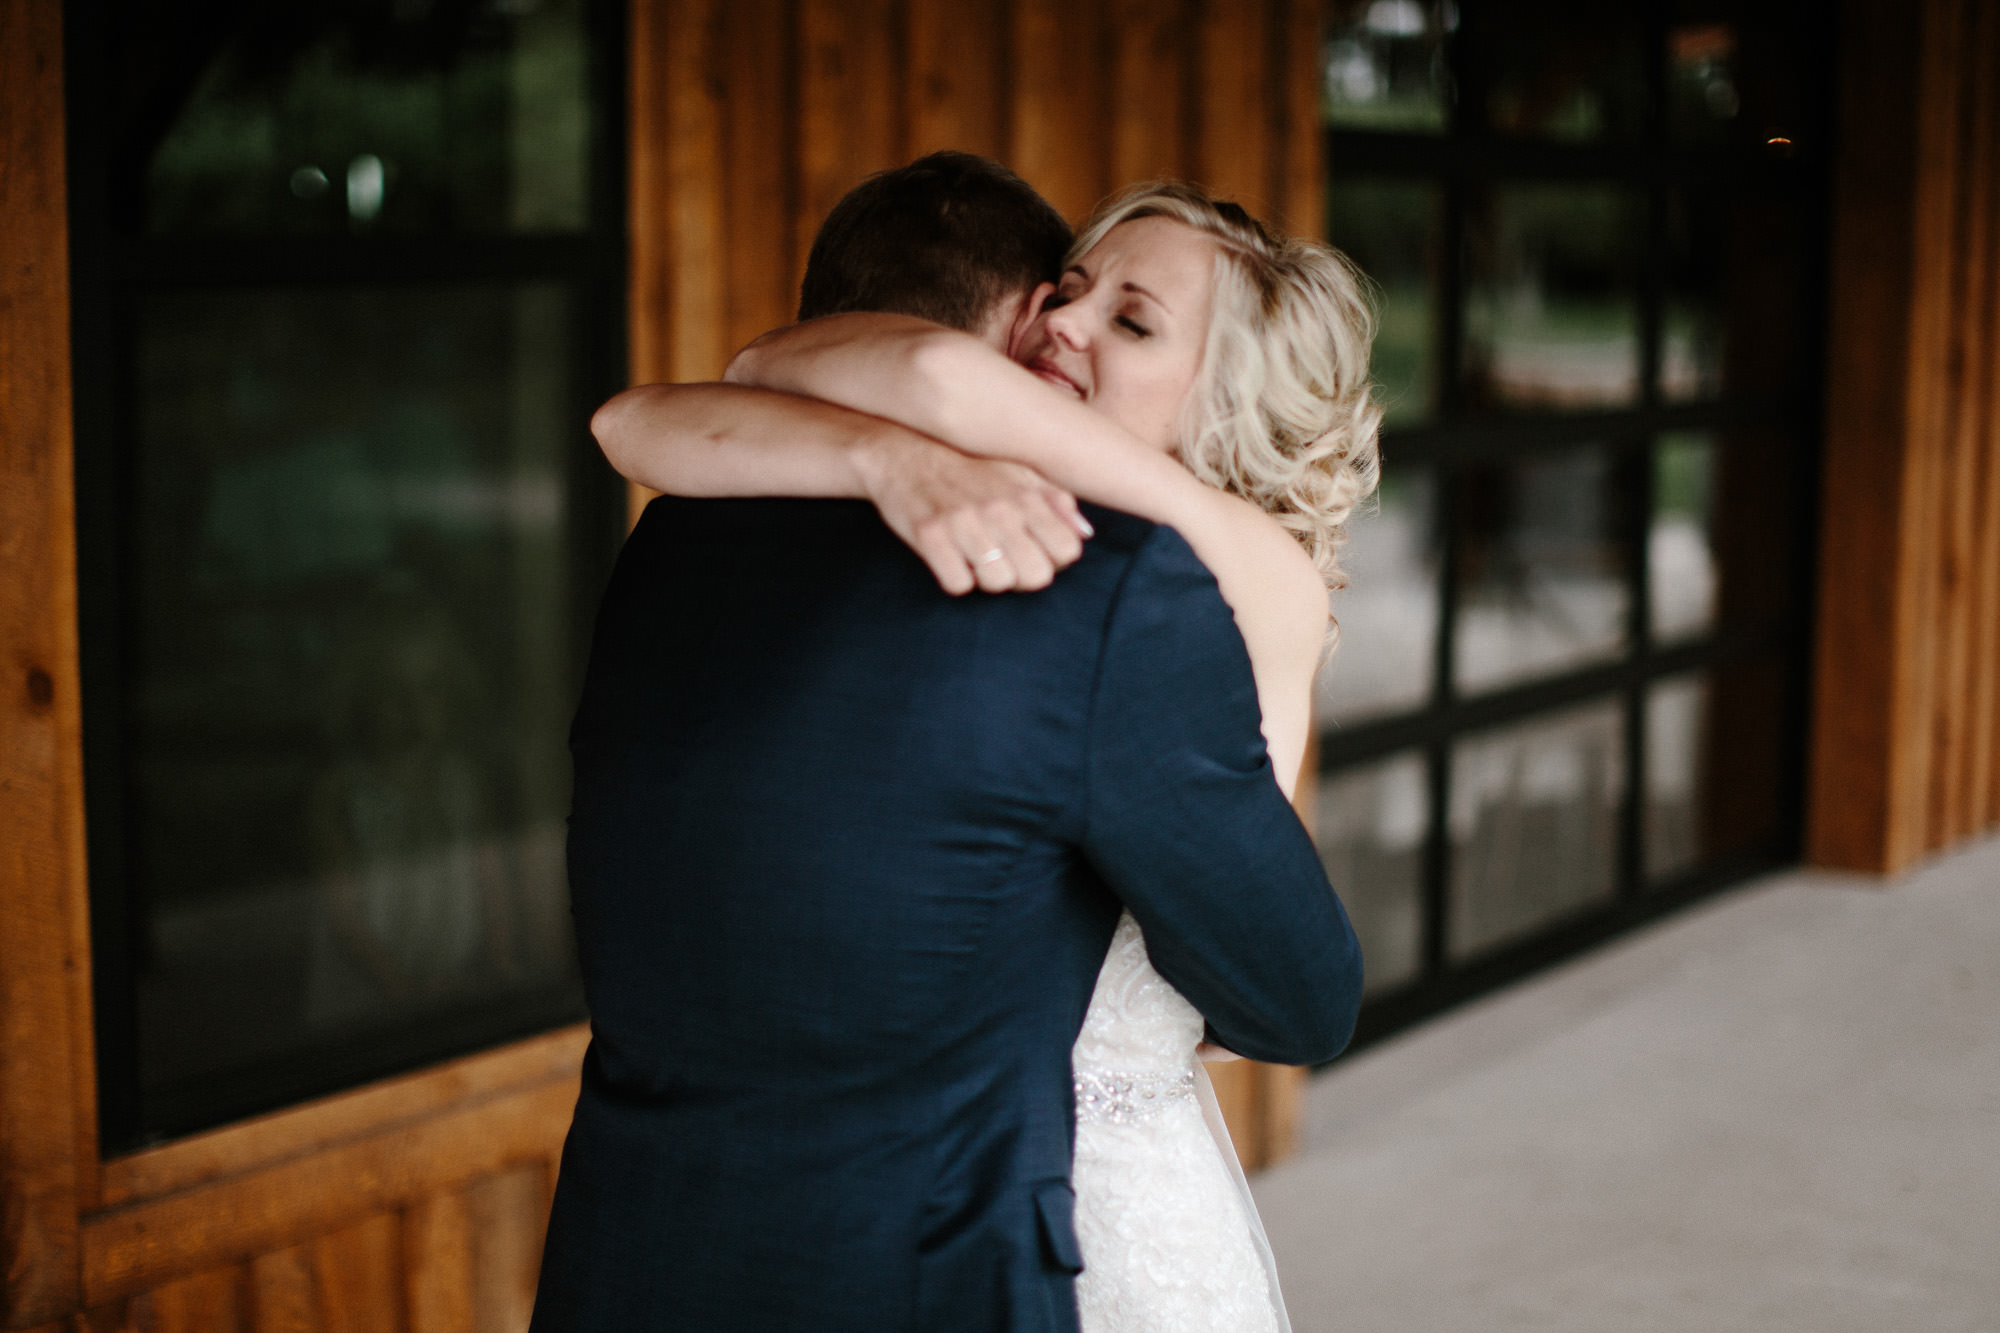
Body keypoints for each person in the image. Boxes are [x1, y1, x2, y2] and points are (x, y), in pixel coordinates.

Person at [530, 152, 1364, 1333]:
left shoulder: (1205, 577)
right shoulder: (1035, 558)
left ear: (1223, 400)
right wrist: (892, 456)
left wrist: (896, 429)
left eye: (1127, 319)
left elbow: (892, 372)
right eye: (1065, 291)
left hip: (1072, 1208)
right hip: (958, 1221)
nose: (1063, 324)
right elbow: (663, 411)